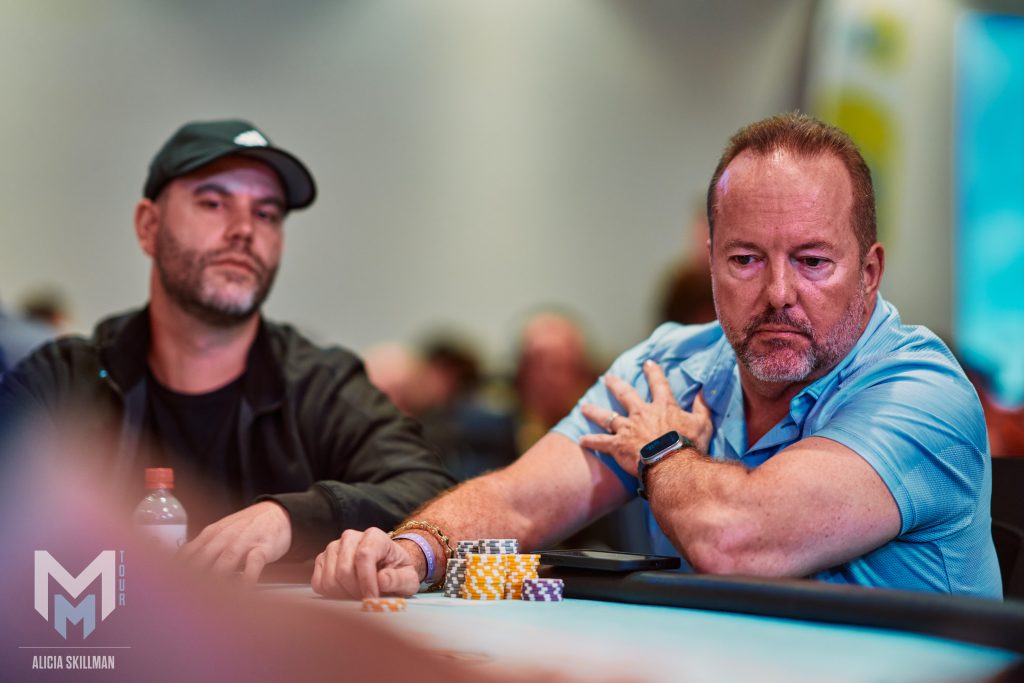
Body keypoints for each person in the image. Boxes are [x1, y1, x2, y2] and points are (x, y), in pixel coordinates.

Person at [311, 112, 1000, 599]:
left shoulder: (924, 392)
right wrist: (414, 551)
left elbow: (737, 542)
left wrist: (662, 452)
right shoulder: (670, 366)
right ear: (710, 266)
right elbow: (519, 501)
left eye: (813, 261)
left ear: (870, 272)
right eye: (746, 259)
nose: (778, 293)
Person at [0, 119, 454, 581]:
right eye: (214, 203)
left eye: (266, 214)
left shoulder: (321, 386)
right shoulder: (66, 379)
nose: (244, 230)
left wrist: (291, 517)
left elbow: (430, 491)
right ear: (148, 226)